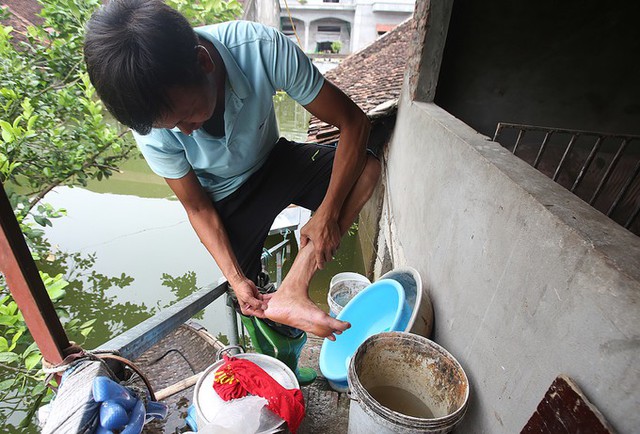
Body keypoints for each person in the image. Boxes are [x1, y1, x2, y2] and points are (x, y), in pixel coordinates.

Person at [83, 0, 381, 340]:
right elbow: (197, 207)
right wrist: (237, 278)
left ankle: (296, 283)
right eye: (172, 126)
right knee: (250, 299)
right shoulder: (152, 128)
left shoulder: (261, 48)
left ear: (203, 61)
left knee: (366, 168)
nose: (186, 131)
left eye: (188, 114)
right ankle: (279, 345)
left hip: (273, 160)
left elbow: (354, 123)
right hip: (224, 197)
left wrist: (327, 213)